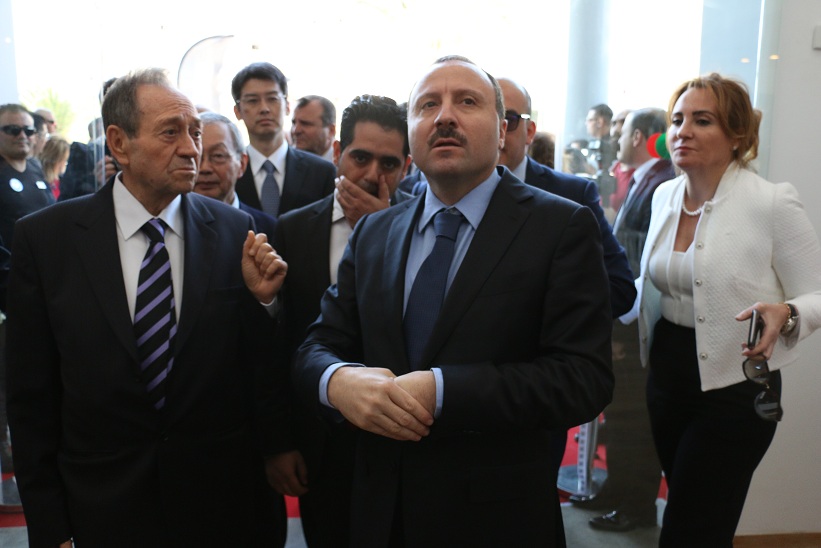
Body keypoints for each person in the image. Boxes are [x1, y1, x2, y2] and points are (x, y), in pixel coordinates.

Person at [251, 55, 614, 547]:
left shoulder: (560, 226)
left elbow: (583, 378)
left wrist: (443, 391)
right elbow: (318, 344)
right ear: (412, 133)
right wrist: (338, 382)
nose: (444, 116)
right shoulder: (375, 231)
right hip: (381, 512)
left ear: (502, 131)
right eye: (427, 105)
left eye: (467, 101)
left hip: (495, 518)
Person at [6, 69, 290, 547]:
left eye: (195, 132)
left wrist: (265, 304)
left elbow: (257, 370)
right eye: (170, 132)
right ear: (119, 143)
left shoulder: (234, 231)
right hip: (101, 507)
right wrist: (51, 527)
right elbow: (31, 399)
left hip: (218, 506)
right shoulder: (46, 240)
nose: (191, 148)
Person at [633, 73, 821, 546]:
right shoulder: (663, 196)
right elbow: (657, 281)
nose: (683, 132)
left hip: (736, 385)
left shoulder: (771, 202)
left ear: (737, 135)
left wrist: (787, 313)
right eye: (677, 120)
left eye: (702, 120)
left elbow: (817, 294)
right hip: (667, 374)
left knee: (689, 528)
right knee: (695, 515)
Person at [271, 94, 412, 547]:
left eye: (389, 163)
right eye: (361, 158)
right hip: (319, 437)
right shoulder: (293, 229)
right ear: (337, 153)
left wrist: (386, 228)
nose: (372, 175)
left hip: (402, 435)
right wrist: (280, 442)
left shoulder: (425, 228)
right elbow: (279, 342)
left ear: (407, 167)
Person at [589, 108, 674, 532]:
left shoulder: (661, 183)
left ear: (638, 137)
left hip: (636, 318)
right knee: (620, 413)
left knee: (633, 419)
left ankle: (635, 504)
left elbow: (643, 259)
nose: (616, 140)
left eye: (621, 134)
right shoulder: (647, 180)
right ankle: (616, 490)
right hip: (627, 314)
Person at [232, 62, 336, 216]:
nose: (264, 108)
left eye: (272, 99)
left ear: (287, 106)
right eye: (253, 101)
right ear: (237, 111)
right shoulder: (230, 172)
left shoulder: (322, 173)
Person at [193, 112, 278, 239]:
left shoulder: (268, 229)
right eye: (197, 157)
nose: (205, 168)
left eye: (218, 156)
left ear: (242, 164)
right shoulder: (171, 226)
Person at [290, 95, 337, 162]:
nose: (295, 130)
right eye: (294, 123)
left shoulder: (342, 165)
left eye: (305, 124)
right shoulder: (287, 161)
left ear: (331, 131)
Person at [38, 134, 70, 199]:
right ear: (59, 159)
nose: (65, 163)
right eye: (65, 159)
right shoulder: (39, 180)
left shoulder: (63, 181)